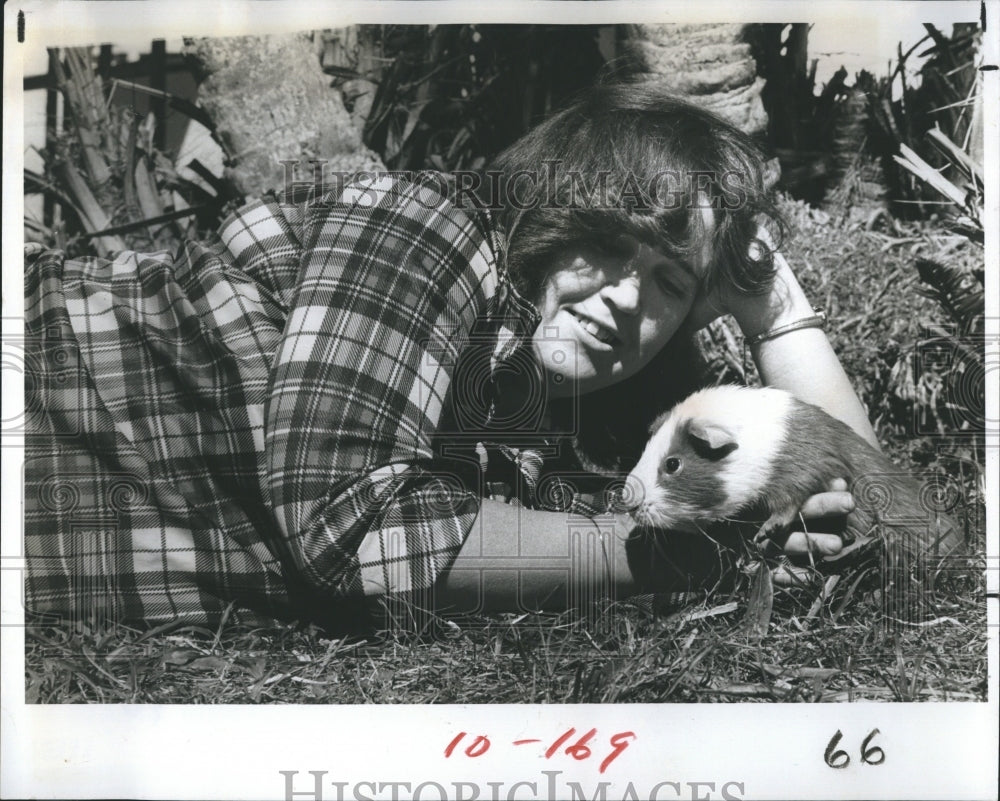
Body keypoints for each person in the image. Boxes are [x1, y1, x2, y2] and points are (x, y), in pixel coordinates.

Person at [24, 81, 872, 631]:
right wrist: (662, 556)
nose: (625, 298)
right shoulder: (430, 223)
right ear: (552, 211)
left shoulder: (559, 427)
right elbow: (353, 521)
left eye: (668, 283)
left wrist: (776, 312)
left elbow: (867, 509)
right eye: (611, 244)